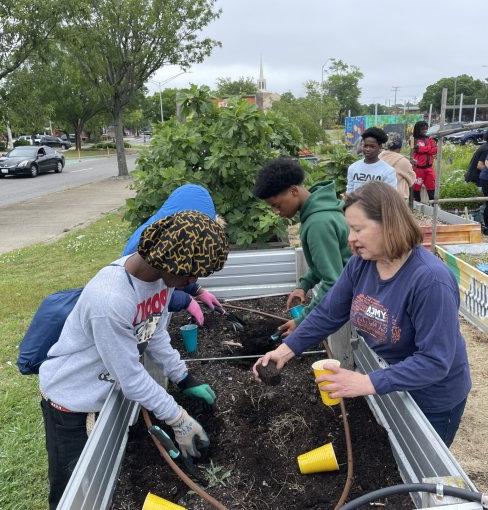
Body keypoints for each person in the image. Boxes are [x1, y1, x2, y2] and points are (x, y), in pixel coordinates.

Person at [253, 182, 471, 447]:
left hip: (432, 398)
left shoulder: (429, 281)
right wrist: (285, 351)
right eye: (349, 229)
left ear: (389, 224)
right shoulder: (362, 264)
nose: (350, 239)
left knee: (421, 476)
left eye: (358, 229)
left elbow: (435, 361)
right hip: (390, 381)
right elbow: (329, 313)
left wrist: (367, 382)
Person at [39, 211, 229, 509]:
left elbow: (155, 333)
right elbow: (131, 377)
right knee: (72, 492)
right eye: (191, 272)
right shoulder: (110, 300)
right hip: (71, 401)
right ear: (167, 258)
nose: (193, 280)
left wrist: (183, 377)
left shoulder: (162, 282)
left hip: (104, 394)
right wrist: (177, 418)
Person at [254, 158, 351, 335]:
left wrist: (302, 320)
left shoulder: (318, 223)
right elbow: (328, 260)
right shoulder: (322, 211)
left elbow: (332, 281)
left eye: (276, 205)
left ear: (293, 191)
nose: (276, 212)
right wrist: (304, 285)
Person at [123, 184, 223, 326]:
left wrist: (197, 290)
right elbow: (146, 292)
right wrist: (184, 301)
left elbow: (174, 273)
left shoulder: (172, 236)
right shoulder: (150, 243)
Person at [346, 127, 397, 194]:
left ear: (380, 146)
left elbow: (391, 196)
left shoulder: (388, 171)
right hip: (356, 204)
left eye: (372, 146)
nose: (368, 149)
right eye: (365, 146)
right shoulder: (353, 168)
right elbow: (349, 193)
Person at [379, 133, 416, 199]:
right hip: (396, 196)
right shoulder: (403, 161)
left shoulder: (379, 157)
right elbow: (411, 179)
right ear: (400, 147)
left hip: (380, 192)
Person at [465, 132, 488, 235]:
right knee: (482, 203)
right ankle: (481, 226)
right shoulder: (486, 148)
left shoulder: (484, 146)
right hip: (476, 178)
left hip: (474, 176)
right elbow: (480, 165)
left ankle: (480, 225)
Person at [410, 120, 438, 202]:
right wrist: (429, 148)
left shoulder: (429, 139)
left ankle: (433, 206)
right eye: (422, 129)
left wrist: (424, 149)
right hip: (418, 169)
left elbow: (435, 150)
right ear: (418, 129)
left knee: (432, 188)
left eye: (426, 129)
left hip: (429, 168)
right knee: (416, 189)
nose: (425, 131)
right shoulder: (412, 139)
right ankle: (416, 206)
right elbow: (416, 149)